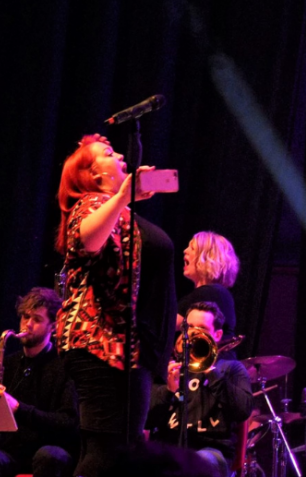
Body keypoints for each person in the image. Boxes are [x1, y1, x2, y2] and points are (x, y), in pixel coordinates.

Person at [55, 134, 176, 476]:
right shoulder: (90, 204)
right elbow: (86, 240)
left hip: (128, 350)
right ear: (94, 175)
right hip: (102, 346)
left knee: (114, 453)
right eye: (109, 153)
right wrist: (123, 196)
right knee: (107, 453)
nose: (121, 156)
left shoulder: (120, 212)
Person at [147, 301, 253, 477]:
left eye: (202, 328)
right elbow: (146, 420)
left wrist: (212, 372)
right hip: (169, 448)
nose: (193, 333)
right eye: (189, 327)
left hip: (212, 450)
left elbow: (243, 410)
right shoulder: (169, 369)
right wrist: (168, 390)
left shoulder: (231, 369)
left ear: (217, 335)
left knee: (196, 465)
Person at [0, 288, 78, 477]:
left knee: (48, 457)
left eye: (37, 319)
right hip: (13, 452)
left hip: (50, 448)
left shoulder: (65, 366)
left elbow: (68, 422)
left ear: (53, 327)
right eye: (25, 317)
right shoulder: (8, 363)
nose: (28, 324)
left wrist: (19, 409)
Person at [177, 231, 240, 359]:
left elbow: (166, 324)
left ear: (207, 258)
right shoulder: (215, 292)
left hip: (215, 367)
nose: (185, 251)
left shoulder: (210, 292)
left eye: (192, 248)